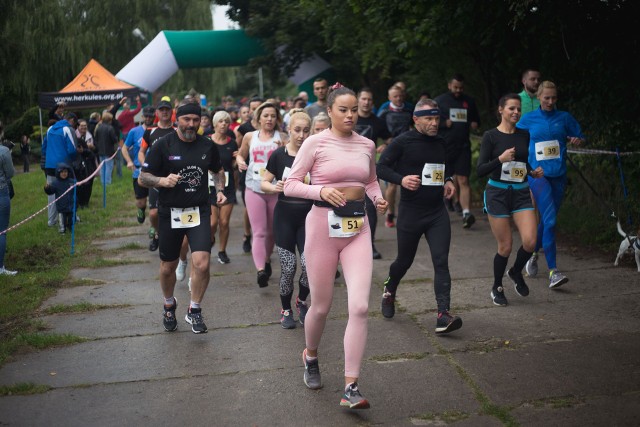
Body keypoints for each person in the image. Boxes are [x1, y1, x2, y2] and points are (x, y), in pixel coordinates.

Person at [284, 83, 388, 409]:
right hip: (321, 229)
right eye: (343, 110)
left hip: (358, 229)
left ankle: (351, 386)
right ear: (328, 111)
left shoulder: (367, 144)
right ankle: (311, 355)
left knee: (359, 307)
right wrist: (319, 192)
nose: (350, 115)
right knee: (321, 307)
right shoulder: (315, 143)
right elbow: (290, 184)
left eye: (354, 109)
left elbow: (369, 180)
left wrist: (378, 196)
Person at [138, 101, 226, 334]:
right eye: (187, 119)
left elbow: (218, 170)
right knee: (168, 267)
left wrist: (219, 190)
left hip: (199, 210)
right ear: (178, 119)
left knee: (202, 263)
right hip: (170, 212)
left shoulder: (207, 145)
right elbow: (142, 177)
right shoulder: (162, 145)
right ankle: (169, 304)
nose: (191, 124)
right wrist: (161, 181)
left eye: (195, 120)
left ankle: (194, 310)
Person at [376, 98, 463, 335]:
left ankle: (443, 314)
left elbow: (447, 167)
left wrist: (448, 180)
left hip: (436, 212)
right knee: (404, 262)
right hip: (411, 213)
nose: (435, 123)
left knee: (441, 261)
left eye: (436, 118)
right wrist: (401, 179)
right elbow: (381, 167)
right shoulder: (403, 142)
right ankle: (389, 289)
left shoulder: (441, 142)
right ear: (416, 119)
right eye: (429, 119)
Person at [517, 81, 585, 288]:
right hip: (538, 176)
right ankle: (554, 271)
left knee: (547, 222)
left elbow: (580, 136)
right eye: (546, 97)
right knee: (551, 220)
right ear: (538, 97)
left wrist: (577, 140)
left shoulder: (564, 117)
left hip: (559, 175)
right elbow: (513, 140)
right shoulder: (528, 119)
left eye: (554, 97)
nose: (550, 101)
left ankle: (532, 252)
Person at [477, 94, 543, 306]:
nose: (516, 112)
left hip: (521, 192)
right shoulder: (490, 136)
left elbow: (522, 162)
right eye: (511, 109)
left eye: (518, 109)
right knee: (505, 246)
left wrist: (532, 172)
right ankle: (497, 287)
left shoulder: (524, 134)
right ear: (501, 110)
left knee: (531, 241)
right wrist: (500, 159)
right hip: (497, 193)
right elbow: (480, 170)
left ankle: (515, 272)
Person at [261, 109, 312, 329]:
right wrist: (274, 187)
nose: (301, 135)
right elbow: (264, 182)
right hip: (284, 217)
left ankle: (301, 301)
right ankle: (286, 309)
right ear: (288, 129)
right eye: (297, 130)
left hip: (308, 217)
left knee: (309, 266)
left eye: (305, 131)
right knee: (289, 267)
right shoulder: (278, 155)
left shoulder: (314, 155)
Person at [236, 102, 285, 287]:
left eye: (273, 116)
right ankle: (260, 271)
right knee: (259, 232)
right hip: (254, 188)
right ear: (258, 118)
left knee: (272, 232)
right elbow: (240, 154)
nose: (269, 119)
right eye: (266, 116)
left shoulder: (283, 138)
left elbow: (293, 159)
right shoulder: (250, 136)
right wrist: (240, 162)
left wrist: (284, 149)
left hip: (274, 190)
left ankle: (265, 259)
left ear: (277, 119)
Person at [435, 73, 481, 228]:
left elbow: (476, 120)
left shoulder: (469, 101)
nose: (458, 90)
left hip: (463, 147)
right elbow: (429, 122)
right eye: (455, 87)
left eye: (461, 87)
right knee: (443, 180)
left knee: (463, 180)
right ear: (449, 85)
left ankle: (467, 213)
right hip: (444, 147)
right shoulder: (440, 101)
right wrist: (443, 123)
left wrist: (474, 124)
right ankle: (438, 213)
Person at [355, 87, 392, 259]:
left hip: (368, 170)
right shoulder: (350, 118)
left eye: (369, 99)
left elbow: (390, 140)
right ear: (358, 100)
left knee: (371, 208)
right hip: (345, 169)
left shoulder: (377, 121)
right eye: (364, 99)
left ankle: (370, 244)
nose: (367, 102)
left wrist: (385, 146)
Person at [138, 99, 176, 252]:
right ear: (157, 113)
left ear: (171, 112)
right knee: (154, 213)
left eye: (167, 109)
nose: (165, 112)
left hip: (173, 178)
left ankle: (170, 237)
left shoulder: (176, 131)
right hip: (155, 178)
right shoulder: (150, 132)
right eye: (162, 110)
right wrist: (145, 166)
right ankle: (157, 234)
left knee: (173, 211)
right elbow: (141, 152)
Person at [377, 83, 414, 229]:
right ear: (389, 97)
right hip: (391, 150)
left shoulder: (409, 110)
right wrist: (383, 144)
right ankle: (390, 214)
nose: (398, 99)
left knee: (409, 182)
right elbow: (379, 131)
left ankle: (408, 214)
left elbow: (415, 126)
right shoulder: (384, 112)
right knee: (392, 184)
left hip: (407, 150)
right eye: (395, 96)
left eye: (400, 96)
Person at [208, 110, 238, 264]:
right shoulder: (206, 141)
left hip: (227, 186)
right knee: (212, 223)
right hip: (210, 186)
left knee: (224, 222)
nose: (224, 124)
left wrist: (237, 160)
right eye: (220, 121)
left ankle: (222, 251)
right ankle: (211, 237)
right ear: (214, 124)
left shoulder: (232, 143)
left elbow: (233, 166)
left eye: (226, 122)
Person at [235, 96, 264, 254]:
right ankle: (247, 235)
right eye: (253, 108)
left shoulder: (271, 127)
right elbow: (238, 149)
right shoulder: (244, 129)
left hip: (267, 173)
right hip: (248, 170)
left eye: (259, 107)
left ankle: (264, 236)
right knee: (249, 207)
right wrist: (238, 158)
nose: (256, 111)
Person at [43, 112, 77, 227]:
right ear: (71, 120)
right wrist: (71, 161)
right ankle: (71, 217)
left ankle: (51, 221)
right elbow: (72, 149)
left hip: (49, 165)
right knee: (68, 191)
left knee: (52, 192)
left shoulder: (50, 129)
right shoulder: (67, 129)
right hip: (63, 166)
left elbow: (44, 147)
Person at [122, 106, 156, 223]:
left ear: (154, 117)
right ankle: (141, 209)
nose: (148, 118)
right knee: (141, 201)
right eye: (146, 116)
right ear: (142, 117)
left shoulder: (157, 130)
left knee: (155, 205)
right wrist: (129, 161)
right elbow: (124, 148)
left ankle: (154, 227)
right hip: (139, 171)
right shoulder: (134, 131)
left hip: (155, 172)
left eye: (150, 116)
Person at [0, 131, 17, 275]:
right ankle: (0, 267)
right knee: (1, 230)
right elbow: (10, 173)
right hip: (1, 191)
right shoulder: (3, 151)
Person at [44, 163, 76, 234]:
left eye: (65, 172)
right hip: (61, 207)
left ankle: (70, 227)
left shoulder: (71, 181)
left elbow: (77, 189)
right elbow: (50, 191)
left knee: (71, 219)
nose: (64, 174)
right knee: (62, 220)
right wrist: (47, 188)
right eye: (62, 172)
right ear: (58, 173)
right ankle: (62, 229)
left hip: (70, 205)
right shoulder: (55, 183)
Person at [74, 119, 98, 208]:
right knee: (81, 184)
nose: (84, 128)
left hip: (89, 163)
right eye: (82, 126)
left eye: (85, 126)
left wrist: (92, 147)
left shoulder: (90, 135)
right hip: (79, 164)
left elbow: (96, 150)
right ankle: (81, 202)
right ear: (78, 127)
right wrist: (84, 150)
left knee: (89, 183)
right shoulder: (74, 137)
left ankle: (86, 202)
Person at [94, 111, 119, 186]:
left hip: (100, 150)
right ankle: (107, 183)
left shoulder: (99, 127)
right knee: (109, 167)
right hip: (109, 151)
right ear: (109, 120)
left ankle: (103, 182)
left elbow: (96, 138)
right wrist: (116, 138)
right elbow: (114, 140)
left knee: (102, 167)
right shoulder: (110, 128)